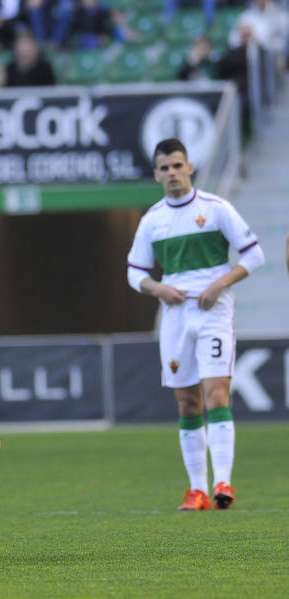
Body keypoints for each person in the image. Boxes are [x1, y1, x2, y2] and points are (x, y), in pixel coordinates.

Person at [126, 138, 265, 512]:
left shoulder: (216, 209)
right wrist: (159, 288)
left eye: (177, 165)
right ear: (157, 174)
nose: (172, 173)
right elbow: (134, 272)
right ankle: (196, 490)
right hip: (175, 315)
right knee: (187, 402)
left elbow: (254, 254)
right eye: (165, 168)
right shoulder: (153, 219)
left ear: (189, 168)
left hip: (214, 310)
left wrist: (220, 283)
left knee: (217, 393)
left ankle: (223, 483)